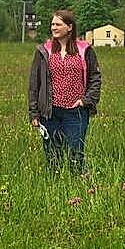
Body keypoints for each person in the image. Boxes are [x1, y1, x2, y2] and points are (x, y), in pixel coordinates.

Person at [28, 10, 102, 174]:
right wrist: (34, 113)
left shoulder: (84, 50)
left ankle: (76, 188)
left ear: (69, 27)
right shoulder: (44, 50)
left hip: (76, 112)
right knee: (52, 156)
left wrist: (86, 100)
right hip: (50, 112)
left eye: (58, 24)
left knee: (76, 154)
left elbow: (95, 78)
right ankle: (54, 188)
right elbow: (34, 83)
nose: (53, 27)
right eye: (52, 24)